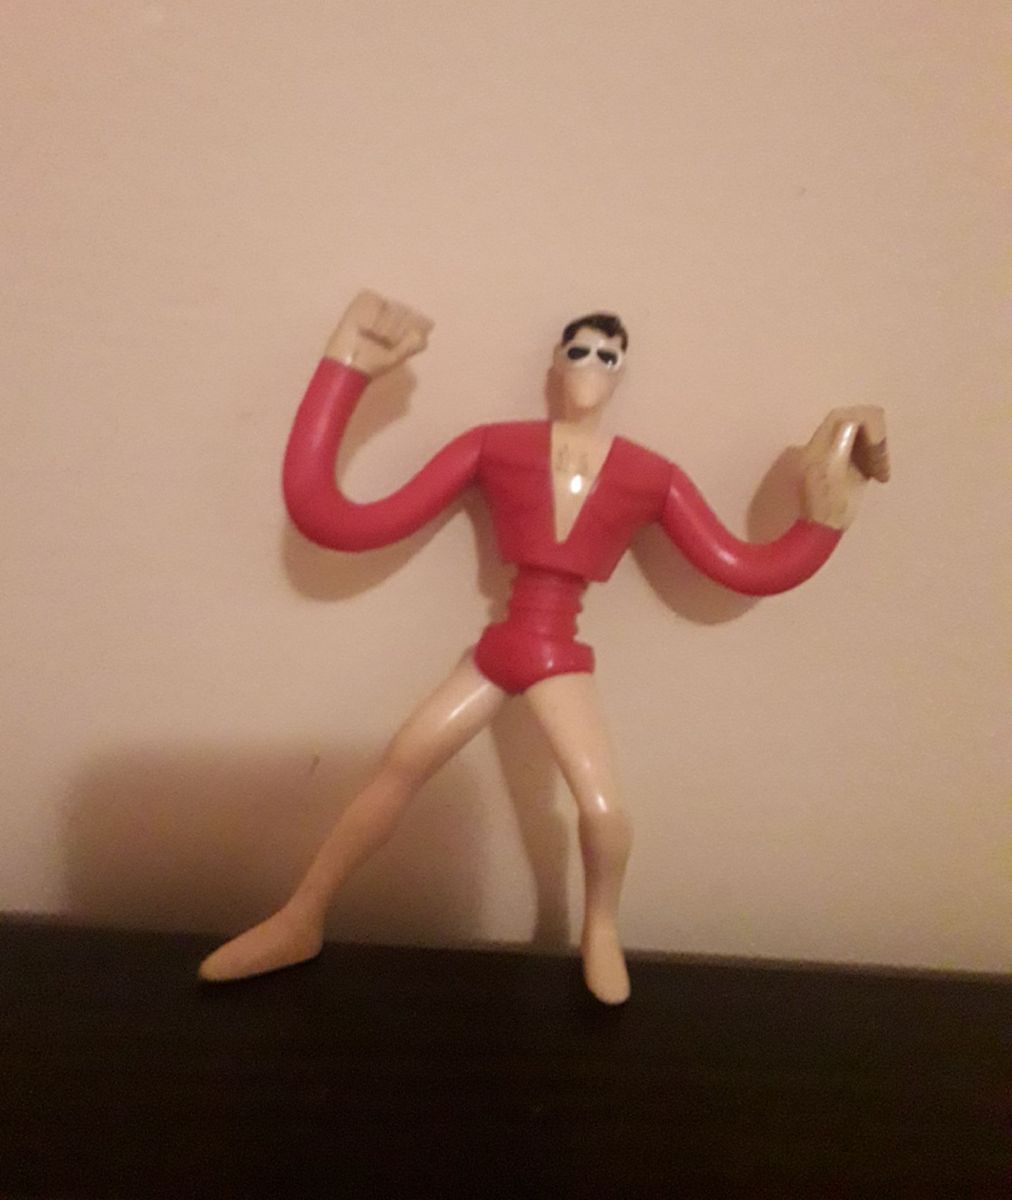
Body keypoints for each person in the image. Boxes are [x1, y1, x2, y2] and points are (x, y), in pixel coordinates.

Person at [199, 291, 889, 1004]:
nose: (591, 366)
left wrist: (828, 506)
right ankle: (301, 916)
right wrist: (346, 369)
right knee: (399, 768)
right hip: (500, 649)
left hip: (557, 656)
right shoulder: (495, 446)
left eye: (607, 356)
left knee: (603, 812)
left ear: (622, 372)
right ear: (557, 364)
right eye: (579, 351)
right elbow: (333, 516)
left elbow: (748, 567)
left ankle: (600, 929)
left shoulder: (649, 475)